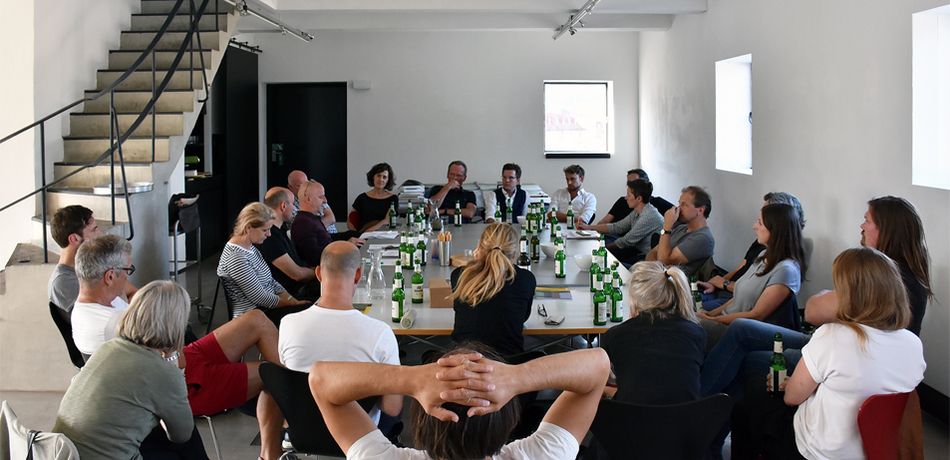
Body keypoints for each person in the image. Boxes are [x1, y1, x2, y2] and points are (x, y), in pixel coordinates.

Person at [700, 196, 933, 399]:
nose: (861, 226)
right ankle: (703, 402)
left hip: (847, 358)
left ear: (886, 229)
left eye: (867, 220)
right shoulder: (897, 275)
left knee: (750, 359)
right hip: (835, 346)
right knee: (741, 329)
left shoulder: (890, 279)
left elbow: (813, 312)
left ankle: (700, 403)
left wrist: (832, 298)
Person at [729, 247, 925, 460]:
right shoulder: (913, 345)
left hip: (815, 452)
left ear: (849, 294)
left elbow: (792, 398)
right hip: (873, 451)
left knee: (744, 409)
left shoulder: (833, 335)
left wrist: (791, 384)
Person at [309, 347, 611, 460]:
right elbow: (597, 366)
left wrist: (411, 379)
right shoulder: (542, 455)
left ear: (421, 420)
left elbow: (321, 380)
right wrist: (518, 377)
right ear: (507, 420)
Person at [262, 241, 402, 460]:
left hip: (302, 432)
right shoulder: (380, 333)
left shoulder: (288, 324)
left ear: (318, 273)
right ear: (358, 275)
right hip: (359, 440)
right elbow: (391, 407)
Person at [52, 281, 196, 459]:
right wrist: (173, 357)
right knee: (187, 445)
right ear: (177, 325)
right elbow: (181, 435)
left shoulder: (108, 347)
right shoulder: (163, 373)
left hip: (61, 452)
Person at [696, 203, 806, 347]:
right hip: (727, 320)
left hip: (739, 331)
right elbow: (737, 298)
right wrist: (710, 314)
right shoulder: (763, 254)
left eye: (760, 223)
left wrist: (713, 320)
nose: (754, 226)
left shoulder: (786, 270)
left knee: (685, 326)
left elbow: (756, 315)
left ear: (776, 229)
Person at [601, 262, 705, 406]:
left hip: (631, 418)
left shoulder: (615, 335)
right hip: (687, 417)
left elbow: (625, 384)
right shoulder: (696, 333)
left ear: (635, 298)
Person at [701, 192, 806, 310]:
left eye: (763, 220)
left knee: (692, 310)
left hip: (734, 297)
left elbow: (754, 297)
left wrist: (724, 284)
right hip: (729, 293)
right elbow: (740, 268)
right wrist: (716, 283)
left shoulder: (785, 265)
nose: (755, 226)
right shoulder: (762, 246)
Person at [450, 223, 536, 357]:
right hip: (508, 364)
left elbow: (459, 309)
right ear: (515, 252)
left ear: (479, 246)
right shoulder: (526, 278)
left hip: (464, 362)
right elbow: (523, 317)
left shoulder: (460, 275)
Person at [217, 202, 310, 320]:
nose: (269, 234)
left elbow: (271, 281)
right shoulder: (236, 257)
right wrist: (293, 304)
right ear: (248, 228)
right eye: (265, 230)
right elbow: (260, 298)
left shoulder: (250, 247)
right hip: (254, 315)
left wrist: (293, 300)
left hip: (267, 308)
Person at [48, 205, 136, 314]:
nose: (101, 234)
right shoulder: (63, 283)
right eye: (94, 230)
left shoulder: (96, 264)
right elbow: (96, 318)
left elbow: (133, 292)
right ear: (74, 239)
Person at [577, 179, 663, 265]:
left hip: (647, 258)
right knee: (603, 253)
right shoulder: (638, 211)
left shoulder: (648, 216)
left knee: (609, 263)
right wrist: (588, 227)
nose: (625, 198)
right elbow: (617, 227)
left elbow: (626, 241)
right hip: (636, 250)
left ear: (639, 198)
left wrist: (602, 248)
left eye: (628, 195)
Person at [259, 187, 320, 301]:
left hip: (299, 289)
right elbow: (298, 275)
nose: (295, 208)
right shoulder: (269, 237)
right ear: (283, 206)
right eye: (293, 203)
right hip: (293, 296)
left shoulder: (280, 230)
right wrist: (321, 272)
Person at [645, 185, 715, 278]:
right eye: (679, 203)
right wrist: (654, 267)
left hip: (670, 285)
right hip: (653, 276)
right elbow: (652, 253)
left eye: (684, 205)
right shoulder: (681, 228)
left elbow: (663, 261)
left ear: (700, 210)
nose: (678, 208)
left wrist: (667, 227)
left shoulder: (703, 238)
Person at [292, 180, 364, 268]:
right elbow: (314, 258)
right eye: (321, 197)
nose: (325, 201)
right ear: (308, 199)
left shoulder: (311, 218)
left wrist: (352, 235)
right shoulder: (302, 223)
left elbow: (327, 239)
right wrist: (345, 245)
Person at [596, 168, 673, 224]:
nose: (630, 185)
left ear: (644, 184)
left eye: (633, 183)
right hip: (615, 237)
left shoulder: (657, 203)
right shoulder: (622, 201)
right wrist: (593, 232)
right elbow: (607, 222)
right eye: (628, 183)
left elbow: (677, 214)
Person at [349, 162, 399, 232]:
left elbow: (387, 221)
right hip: (361, 233)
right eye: (378, 176)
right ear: (373, 177)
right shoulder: (362, 197)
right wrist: (354, 232)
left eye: (384, 177)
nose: (381, 179)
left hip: (382, 233)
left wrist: (367, 232)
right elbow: (351, 218)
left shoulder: (393, 199)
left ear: (388, 180)